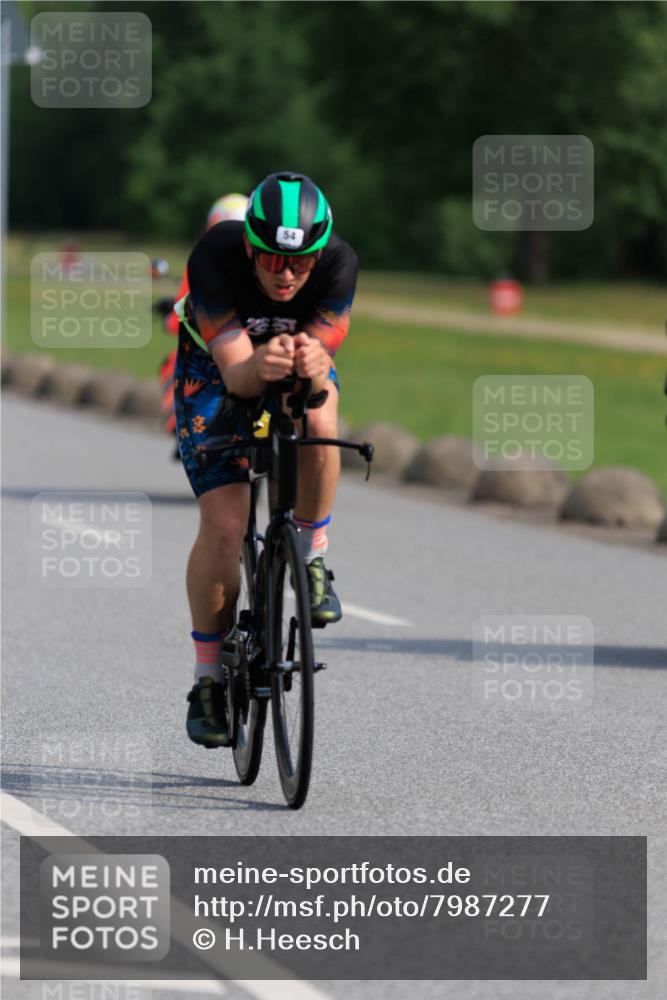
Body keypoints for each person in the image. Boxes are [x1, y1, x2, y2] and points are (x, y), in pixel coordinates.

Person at [173, 171, 358, 747]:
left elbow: (323, 356)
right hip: (215, 370)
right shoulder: (214, 255)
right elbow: (236, 372)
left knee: (322, 417)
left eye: (300, 263)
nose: (286, 275)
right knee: (226, 526)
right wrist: (262, 363)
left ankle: (312, 554)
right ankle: (207, 678)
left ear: (319, 254)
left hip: (293, 363)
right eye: (272, 260)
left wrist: (308, 361)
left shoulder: (338, 264)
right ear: (249, 244)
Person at [157, 194, 249, 435]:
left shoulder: (201, 262)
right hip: (257, 354)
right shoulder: (267, 264)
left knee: (174, 365)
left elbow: (177, 322)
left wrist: (170, 318)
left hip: (219, 357)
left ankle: (184, 431)